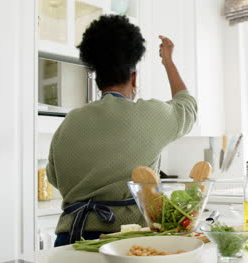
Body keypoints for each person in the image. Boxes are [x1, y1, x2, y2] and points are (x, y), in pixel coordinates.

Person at [46, 15, 197, 247]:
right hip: (127, 243)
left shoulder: (70, 121)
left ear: (96, 77)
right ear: (133, 77)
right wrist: (168, 61)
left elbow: (53, 177)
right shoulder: (151, 115)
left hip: (69, 241)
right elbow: (188, 105)